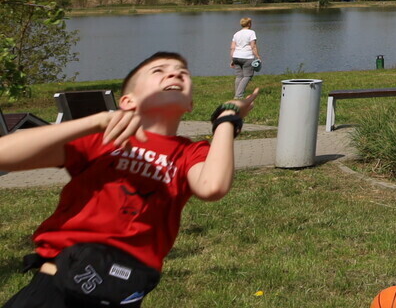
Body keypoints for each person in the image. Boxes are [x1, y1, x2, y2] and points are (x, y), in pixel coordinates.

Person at [0, 51, 256, 308]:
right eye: (158, 70)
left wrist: (227, 119)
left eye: (183, 73)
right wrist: (96, 121)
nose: (175, 73)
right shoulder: (103, 139)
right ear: (128, 101)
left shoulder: (189, 153)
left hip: (119, 293)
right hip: (55, 288)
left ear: (190, 104)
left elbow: (212, 187)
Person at [229, 16, 260, 100]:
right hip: (247, 57)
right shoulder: (251, 32)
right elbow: (253, 46)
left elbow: (232, 47)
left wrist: (232, 59)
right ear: (249, 24)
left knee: (239, 76)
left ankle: (237, 95)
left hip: (236, 56)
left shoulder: (236, 34)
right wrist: (257, 56)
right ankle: (239, 95)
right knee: (248, 76)